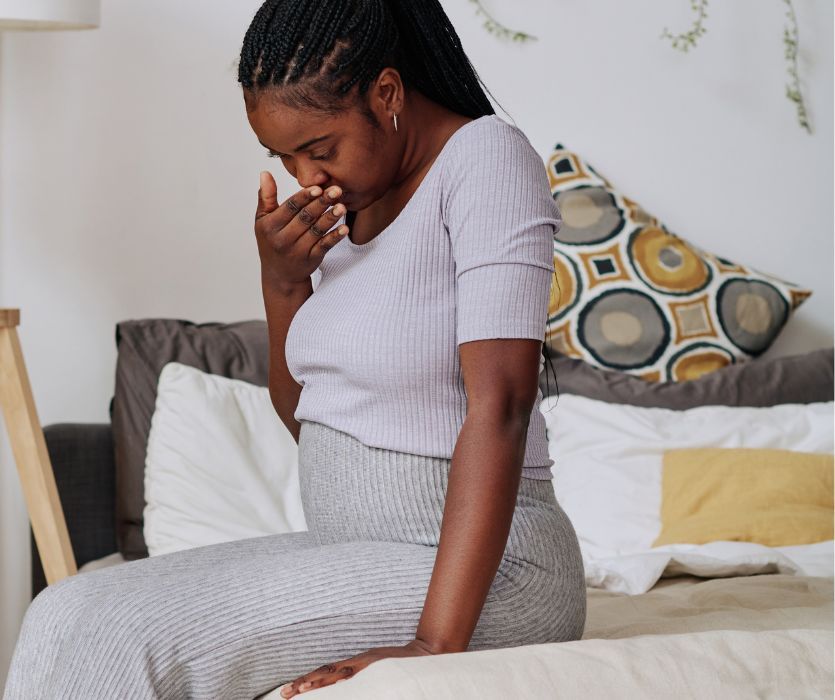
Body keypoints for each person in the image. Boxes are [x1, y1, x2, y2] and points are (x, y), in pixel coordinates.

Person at [2, 1, 586, 698]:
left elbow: (503, 407)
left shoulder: (485, 159)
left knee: (124, 634)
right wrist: (281, 281)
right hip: (360, 555)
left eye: (320, 148)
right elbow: (307, 418)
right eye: (282, 156)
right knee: (64, 608)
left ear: (387, 93)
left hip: (490, 575)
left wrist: (433, 644)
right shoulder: (348, 208)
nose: (306, 177)